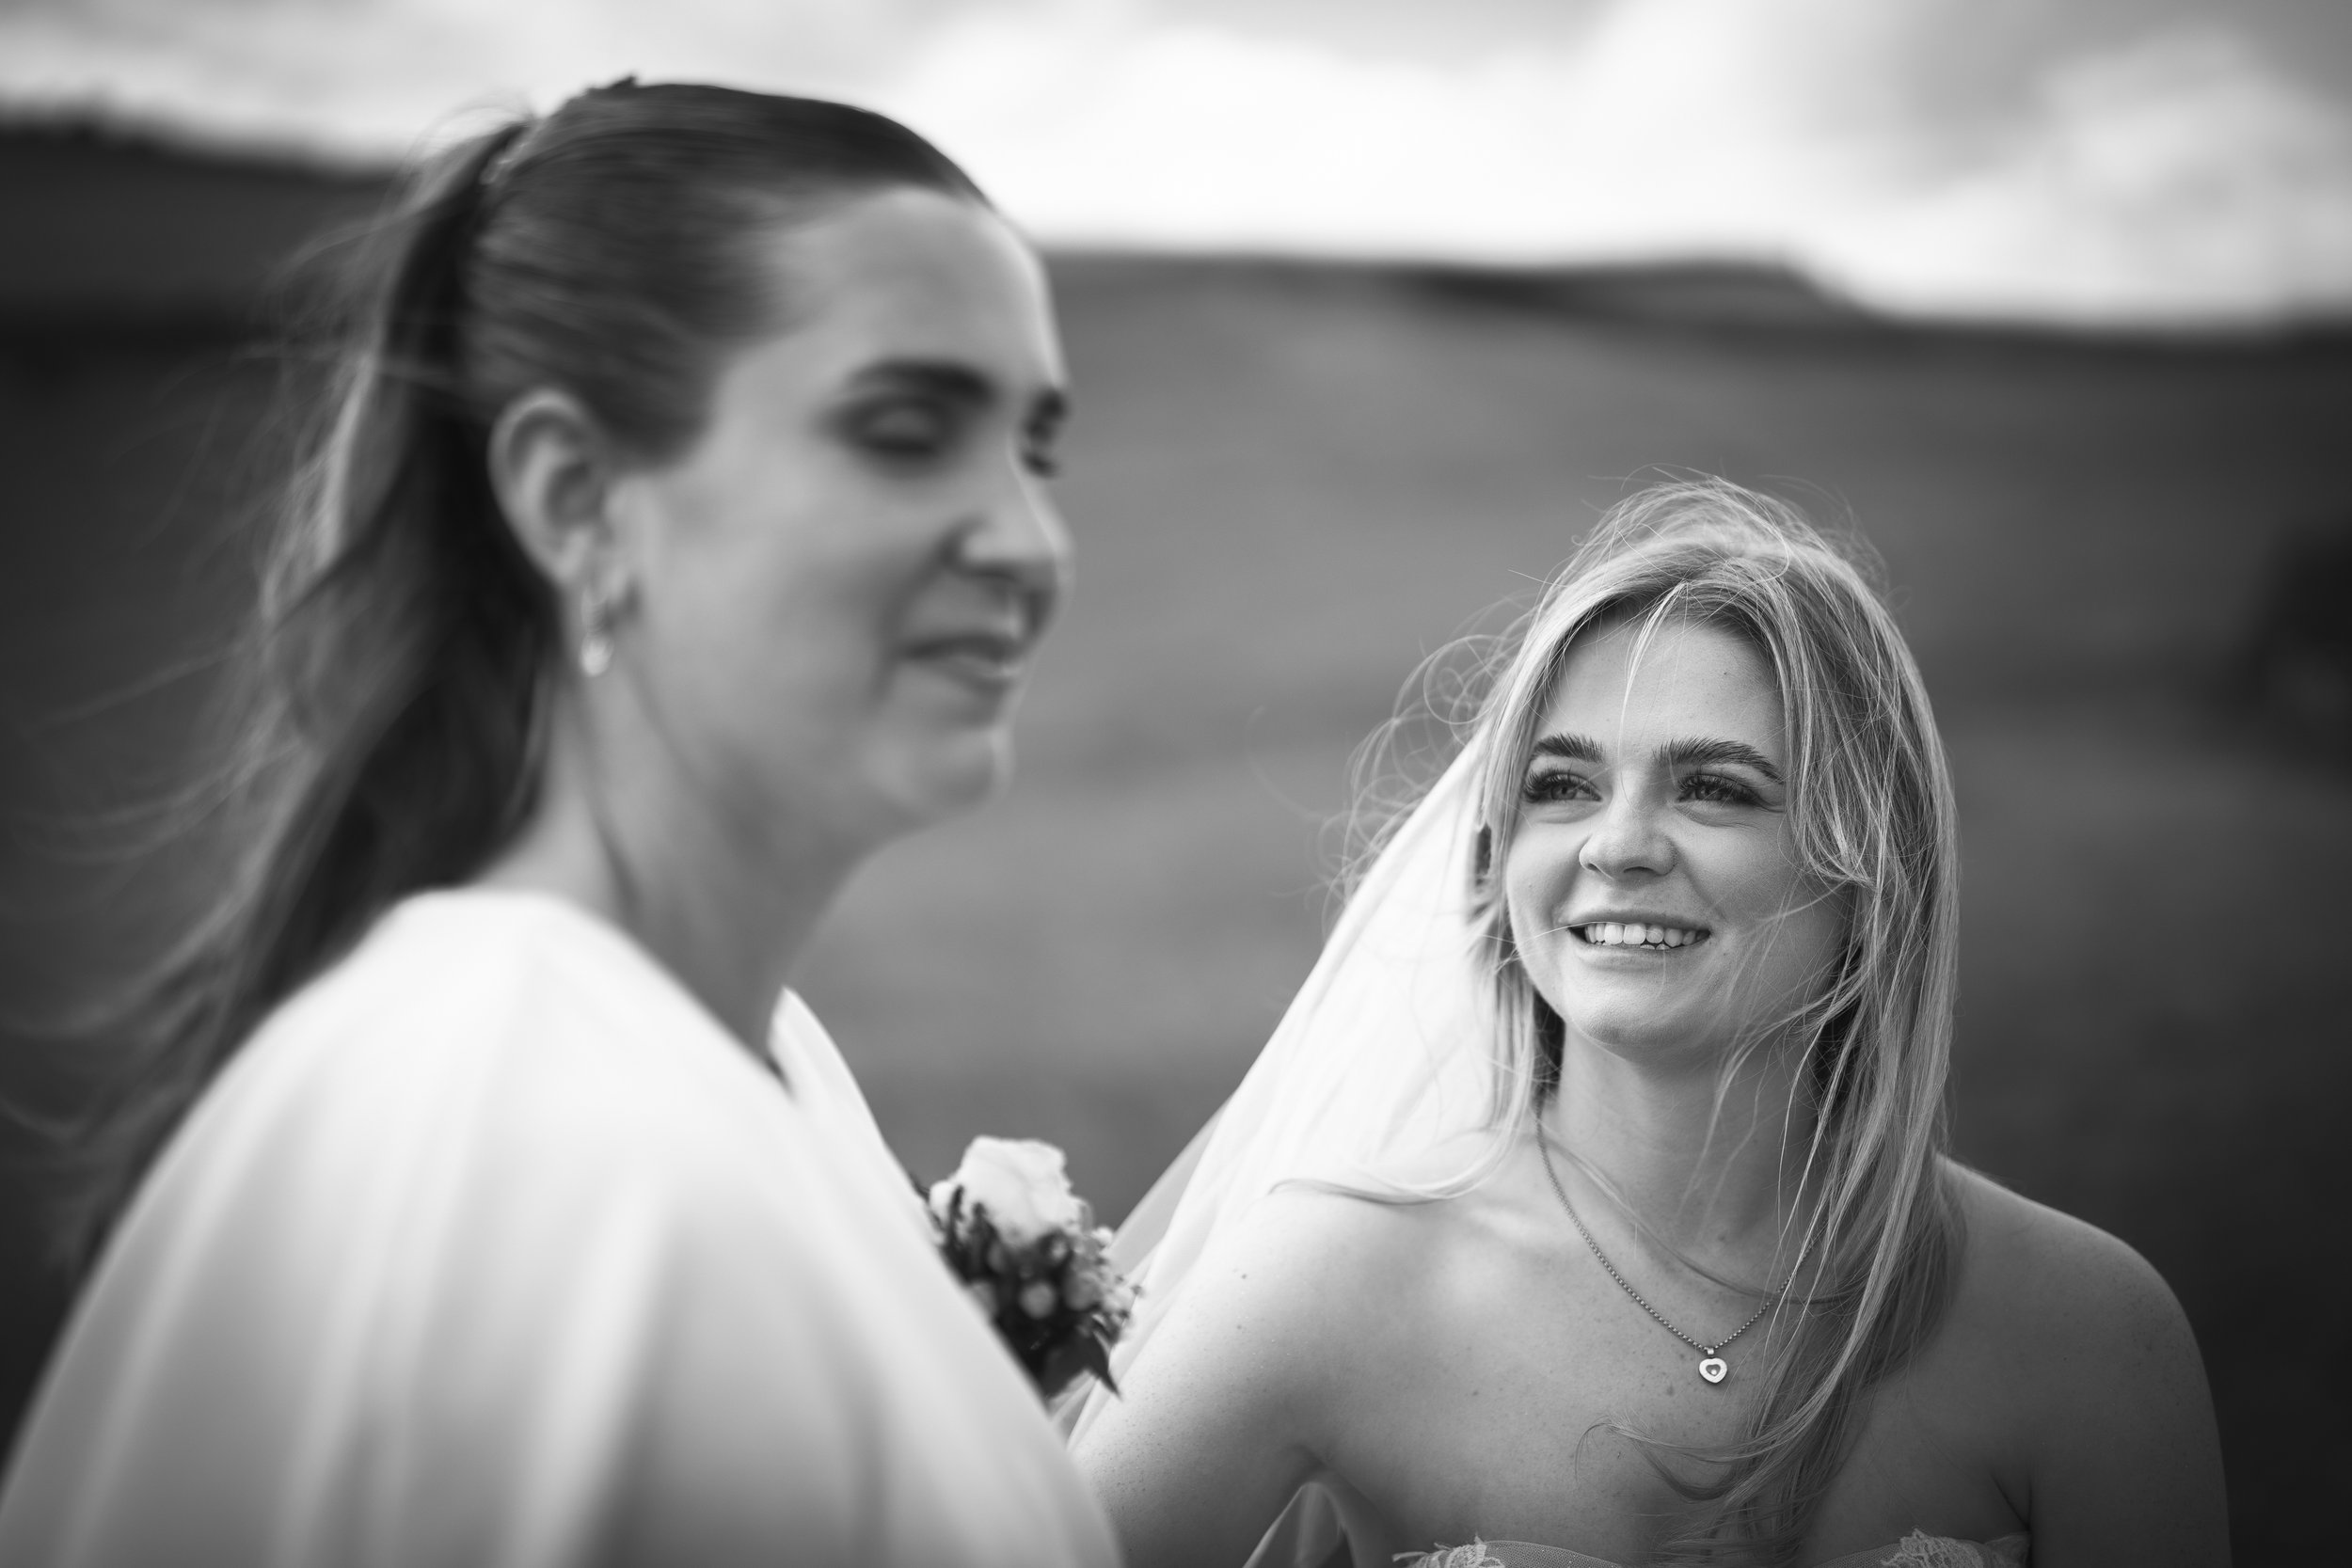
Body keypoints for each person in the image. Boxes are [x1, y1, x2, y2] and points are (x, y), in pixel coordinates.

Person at [0, 81, 1120, 1568]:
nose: (1029, 542)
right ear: (577, 498)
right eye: (907, 430)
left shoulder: (752, 1054)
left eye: (1032, 448)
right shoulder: (549, 1151)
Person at [1071, 481, 2227, 1567]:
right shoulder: (1330, 1279)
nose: (1615, 844)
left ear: (1873, 870)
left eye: (1715, 786)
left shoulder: (2089, 1334)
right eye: (1561, 784)